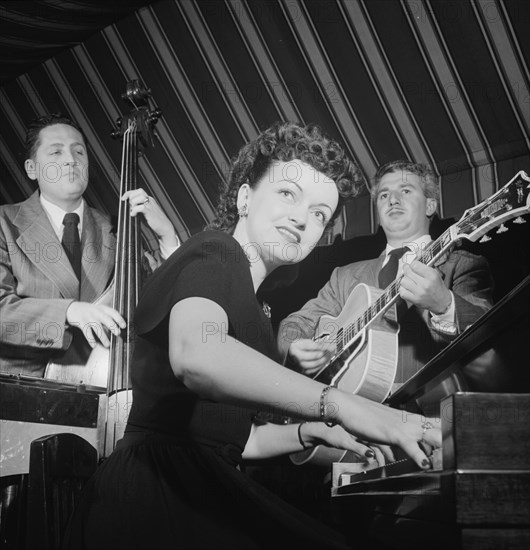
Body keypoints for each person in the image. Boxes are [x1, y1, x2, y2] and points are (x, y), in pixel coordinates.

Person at [63, 123, 441, 550]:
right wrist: (340, 404)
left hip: (192, 480)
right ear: (244, 198)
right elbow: (198, 357)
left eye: (319, 213)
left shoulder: (256, 310)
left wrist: (312, 432)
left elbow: (234, 440)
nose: (302, 217)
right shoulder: (215, 251)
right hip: (155, 495)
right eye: (287, 194)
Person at [278, 160, 494, 385]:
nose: (392, 200)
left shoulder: (462, 265)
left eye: (406, 191)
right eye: (383, 195)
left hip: (426, 409)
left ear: (430, 206)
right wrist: (294, 345)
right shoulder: (344, 276)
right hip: (344, 408)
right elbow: (296, 323)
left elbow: (491, 337)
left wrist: (445, 305)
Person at [0, 113, 179, 376]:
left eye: (79, 152)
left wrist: (168, 237)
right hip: (20, 393)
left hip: (100, 384)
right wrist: (69, 312)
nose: (71, 160)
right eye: (56, 153)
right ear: (31, 168)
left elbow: (160, 305)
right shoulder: (5, 223)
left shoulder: (119, 230)